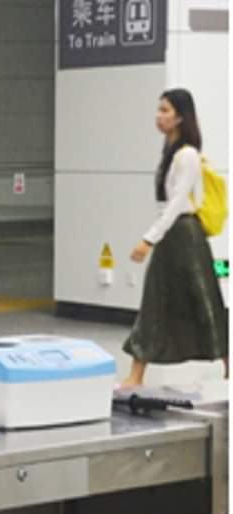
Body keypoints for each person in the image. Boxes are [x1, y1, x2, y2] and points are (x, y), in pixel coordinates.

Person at [121, 88, 228, 387]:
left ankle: (228, 364)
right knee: (157, 300)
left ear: (181, 117)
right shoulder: (171, 153)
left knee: (205, 299)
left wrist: (148, 239)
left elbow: (178, 202)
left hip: (185, 234)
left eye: (165, 111)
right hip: (173, 235)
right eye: (159, 110)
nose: (159, 116)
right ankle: (136, 374)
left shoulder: (187, 155)